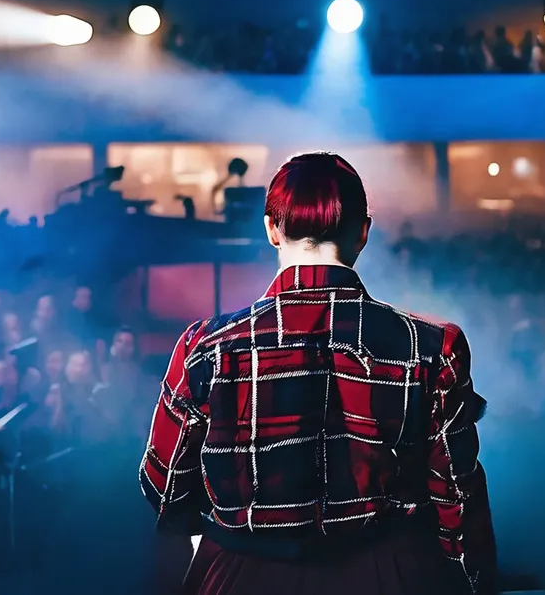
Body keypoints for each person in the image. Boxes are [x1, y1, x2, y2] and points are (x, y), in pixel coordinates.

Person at [141, 152, 497, 595]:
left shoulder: (207, 346)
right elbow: (457, 496)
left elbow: (164, 482)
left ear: (272, 229)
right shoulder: (431, 347)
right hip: (391, 575)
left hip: (242, 574)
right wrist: (474, 579)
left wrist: (217, 530)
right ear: (363, 233)